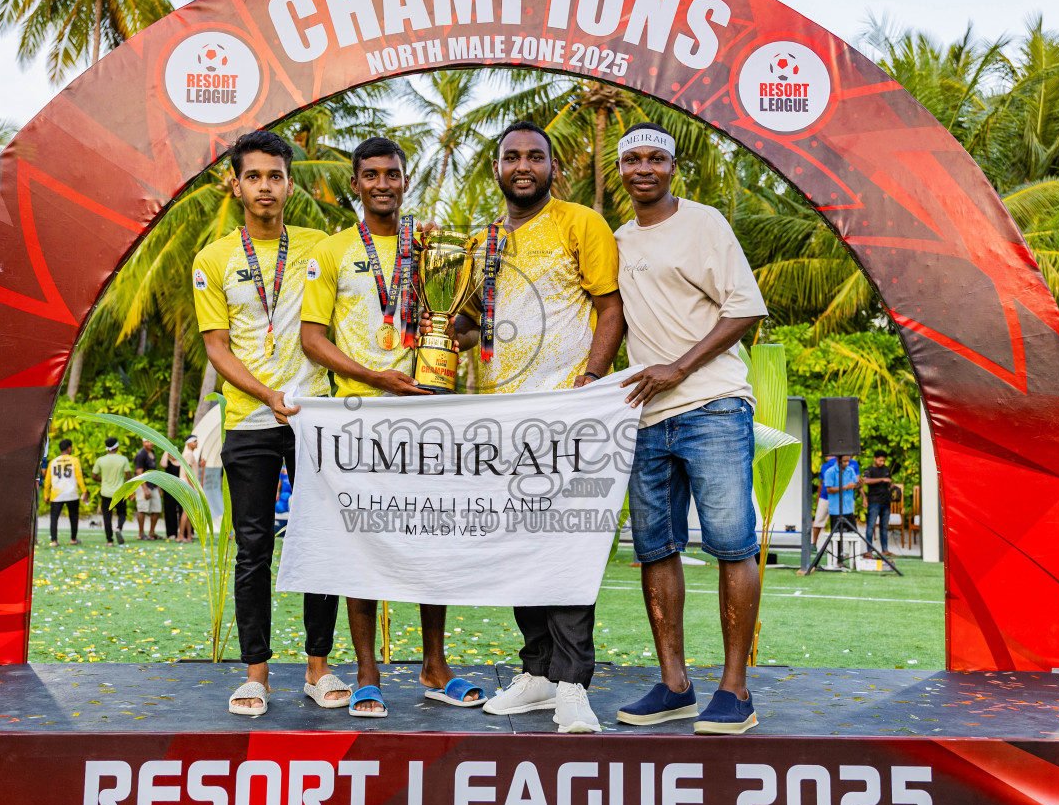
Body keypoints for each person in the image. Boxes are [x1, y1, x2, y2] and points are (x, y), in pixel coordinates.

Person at [435, 120, 624, 733]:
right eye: (511, 157)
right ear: (496, 168)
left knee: (566, 545)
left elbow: (609, 305)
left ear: (551, 167)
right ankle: (539, 673)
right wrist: (439, 335)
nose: (523, 166)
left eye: (534, 157)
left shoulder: (580, 223)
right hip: (502, 417)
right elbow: (467, 324)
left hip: (568, 414)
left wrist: (590, 381)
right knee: (521, 547)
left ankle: (573, 685)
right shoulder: (484, 241)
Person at [300, 136, 483, 718]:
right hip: (359, 417)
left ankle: (435, 667)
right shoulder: (331, 253)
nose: (383, 183)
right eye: (371, 175)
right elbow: (312, 339)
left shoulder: (433, 246)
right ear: (355, 183)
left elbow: (471, 324)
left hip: (427, 414)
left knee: (432, 542)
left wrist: (453, 339)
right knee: (363, 547)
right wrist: (374, 378)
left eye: (393, 174)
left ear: (406, 180)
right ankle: (366, 674)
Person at [606, 122, 768, 736]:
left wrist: (679, 367)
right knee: (656, 550)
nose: (642, 168)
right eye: (632, 160)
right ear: (620, 169)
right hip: (645, 414)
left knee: (731, 543)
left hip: (714, 404)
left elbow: (745, 308)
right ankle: (674, 685)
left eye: (655, 158)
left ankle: (735, 690)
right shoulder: (618, 238)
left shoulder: (704, 223)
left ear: (674, 167)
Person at [192, 129, 344, 715]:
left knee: (319, 543)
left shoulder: (319, 246)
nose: (264, 187)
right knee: (253, 548)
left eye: (274, 176)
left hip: (316, 419)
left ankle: (318, 668)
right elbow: (217, 348)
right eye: (253, 176)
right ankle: (255, 674)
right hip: (249, 420)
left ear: (289, 182)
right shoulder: (213, 259)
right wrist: (267, 394)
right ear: (236, 183)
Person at [44, 438, 86, 546]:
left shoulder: (53, 461)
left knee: (54, 517)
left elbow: (48, 480)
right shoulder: (74, 460)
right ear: (69, 448)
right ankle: (73, 539)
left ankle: (54, 541)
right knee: (73, 516)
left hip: (57, 493)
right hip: (71, 493)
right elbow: (79, 477)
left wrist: (45, 494)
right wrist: (84, 491)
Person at [819, 454, 860, 564]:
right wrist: (845, 487)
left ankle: (855, 560)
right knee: (837, 537)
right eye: (845, 461)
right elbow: (829, 490)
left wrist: (858, 484)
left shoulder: (850, 470)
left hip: (848, 509)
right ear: (838, 460)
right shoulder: (830, 472)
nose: (847, 464)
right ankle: (838, 560)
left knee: (854, 534)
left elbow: (855, 484)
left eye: (848, 461)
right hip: (836, 510)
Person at [92, 437, 130, 545]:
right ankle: (118, 528)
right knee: (122, 513)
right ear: (117, 447)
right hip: (120, 492)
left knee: (107, 516)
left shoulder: (100, 460)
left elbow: (93, 476)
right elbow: (128, 476)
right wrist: (131, 491)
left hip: (106, 493)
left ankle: (109, 540)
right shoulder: (123, 459)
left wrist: (103, 479)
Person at [166, 435, 203, 543]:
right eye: (195, 441)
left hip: (186, 485)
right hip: (187, 485)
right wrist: (192, 487)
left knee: (188, 511)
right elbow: (187, 473)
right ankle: (181, 535)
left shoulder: (188, 454)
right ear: (188, 443)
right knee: (186, 512)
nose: (197, 443)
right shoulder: (188, 454)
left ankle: (188, 537)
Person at [862, 450, 894, 557]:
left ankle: (885, 549)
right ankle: (869, 550)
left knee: (884, 527)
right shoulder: (869, 470)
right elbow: (865, 481)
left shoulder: (886, 469)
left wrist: (894, 488)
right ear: (874, 459)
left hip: (885, 502)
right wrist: (882, 479)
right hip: (874, 502)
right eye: (880, 460)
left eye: (884, 461)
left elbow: (889, 481)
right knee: (870, 526)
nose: (882, 463)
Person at [132, 438, 162, 540]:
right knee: (142, 509)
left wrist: (158, 486)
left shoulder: (152, 453)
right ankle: (141, 534)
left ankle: (152, 533)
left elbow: (154, 471)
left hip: (153, 485)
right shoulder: (141, 454)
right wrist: (145, 489)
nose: (150, 443)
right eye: (147, 441)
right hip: (142, 485)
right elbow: (139, 472)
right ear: (143, 442)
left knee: (157, 509)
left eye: (151, 441)